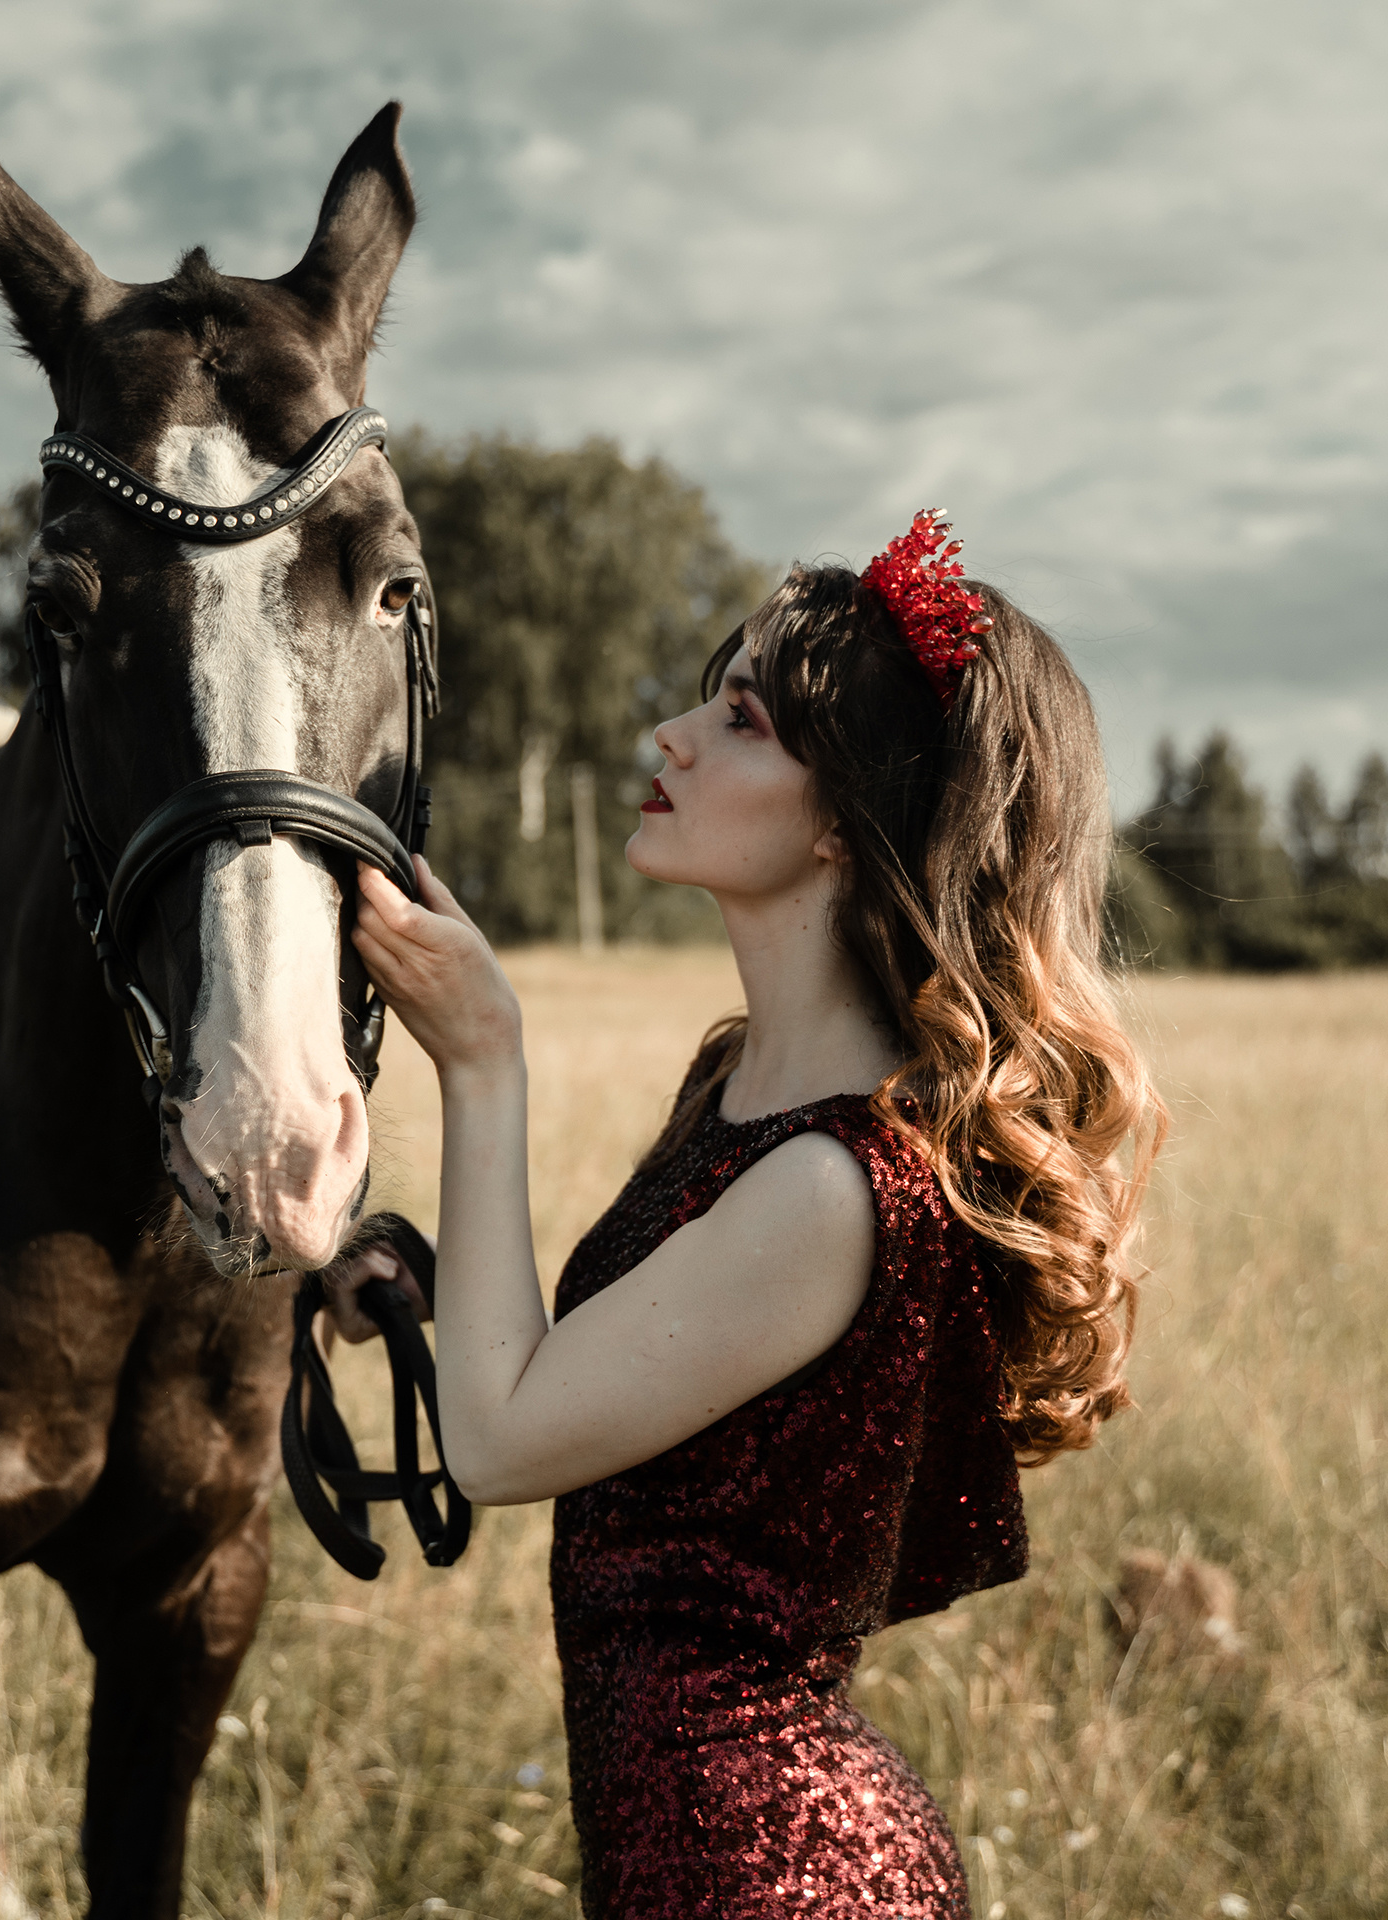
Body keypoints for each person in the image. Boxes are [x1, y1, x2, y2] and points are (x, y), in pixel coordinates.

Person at [329, 512, 1166, 1918]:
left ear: (843, 816)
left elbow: (500, 1439)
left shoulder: (835, 1186)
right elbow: (594, 1370)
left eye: (740, 720)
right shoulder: (741, 1087)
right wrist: (424, 1281)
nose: (668, 737)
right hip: (707, 1848)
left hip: (770, 1870)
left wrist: (482, 1060)